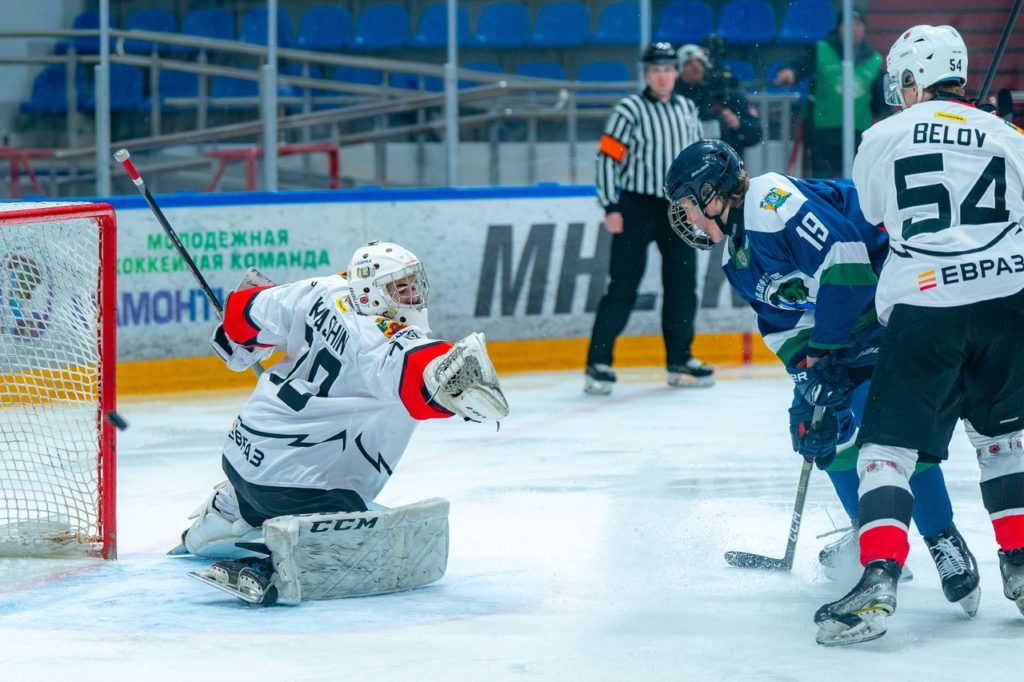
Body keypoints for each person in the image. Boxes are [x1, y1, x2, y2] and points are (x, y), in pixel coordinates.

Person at [663, 138, 978, 590]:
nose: (688, 218)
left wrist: (827, 352)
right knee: (818, 428)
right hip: (844, 324)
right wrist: (811, 372)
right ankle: (871, 531)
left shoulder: (771, 200)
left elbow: (846, 259)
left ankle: (943, 539)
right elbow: (780, 324)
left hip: (892, 299)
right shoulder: (737, 258)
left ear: (714, 191)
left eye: (690, 205)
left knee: (886, 424)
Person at [813, 24, 1024, 646]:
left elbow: (877, 213)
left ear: (911, 78)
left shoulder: (881, 135)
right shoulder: (1007, 135)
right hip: (1007, 303)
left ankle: (878, 577)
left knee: (886, 454)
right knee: (1003, 443)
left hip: (925, 307)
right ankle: (1019, 565)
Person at [176, 240, 510, 603]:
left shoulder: (321, 289)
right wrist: (453, 383)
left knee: (262, 485)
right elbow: (420, 375)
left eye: (413, 284)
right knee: (355, 528)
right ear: (370, 290)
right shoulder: (384, 341)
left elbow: (243, 310)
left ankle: (224, 511)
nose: (412, 295)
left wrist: (238, 339)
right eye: (400, 287)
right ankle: (272, 562)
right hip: (303, 487)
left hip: (242, 457)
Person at [586, 42, 712, 395]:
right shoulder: (630, 109)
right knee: (623, 286)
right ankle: (598, 362)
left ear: (675, 72)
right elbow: (607, 158)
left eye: (668, 69)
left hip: (678, 208)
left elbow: (696, 159)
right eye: (656, 70)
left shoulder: (687, 108)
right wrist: (610, 206)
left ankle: (680, 358)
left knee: (683, 285)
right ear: (647, 73)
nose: (662, 76)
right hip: (636, 207)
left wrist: (698, 205)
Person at [773, 8, 889, 177]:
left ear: (864, 28)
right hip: (823, 133)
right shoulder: (821, 49)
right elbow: (800, 66)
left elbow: (880, 103)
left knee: (855, 185)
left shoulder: (875, 60)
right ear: (839, 28)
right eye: (848, 24)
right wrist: (791, 72)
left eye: (858, 24)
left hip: (858, 133)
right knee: (823, 186)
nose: (853, 29)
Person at [675, 41, 763, 153]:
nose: (696, 67)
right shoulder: (673, 97)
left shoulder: (726, 93)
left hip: (727, 164)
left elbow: (756, 133)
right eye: (688, 63)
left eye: (699, 62)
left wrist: (738, 124)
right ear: (678, 70)